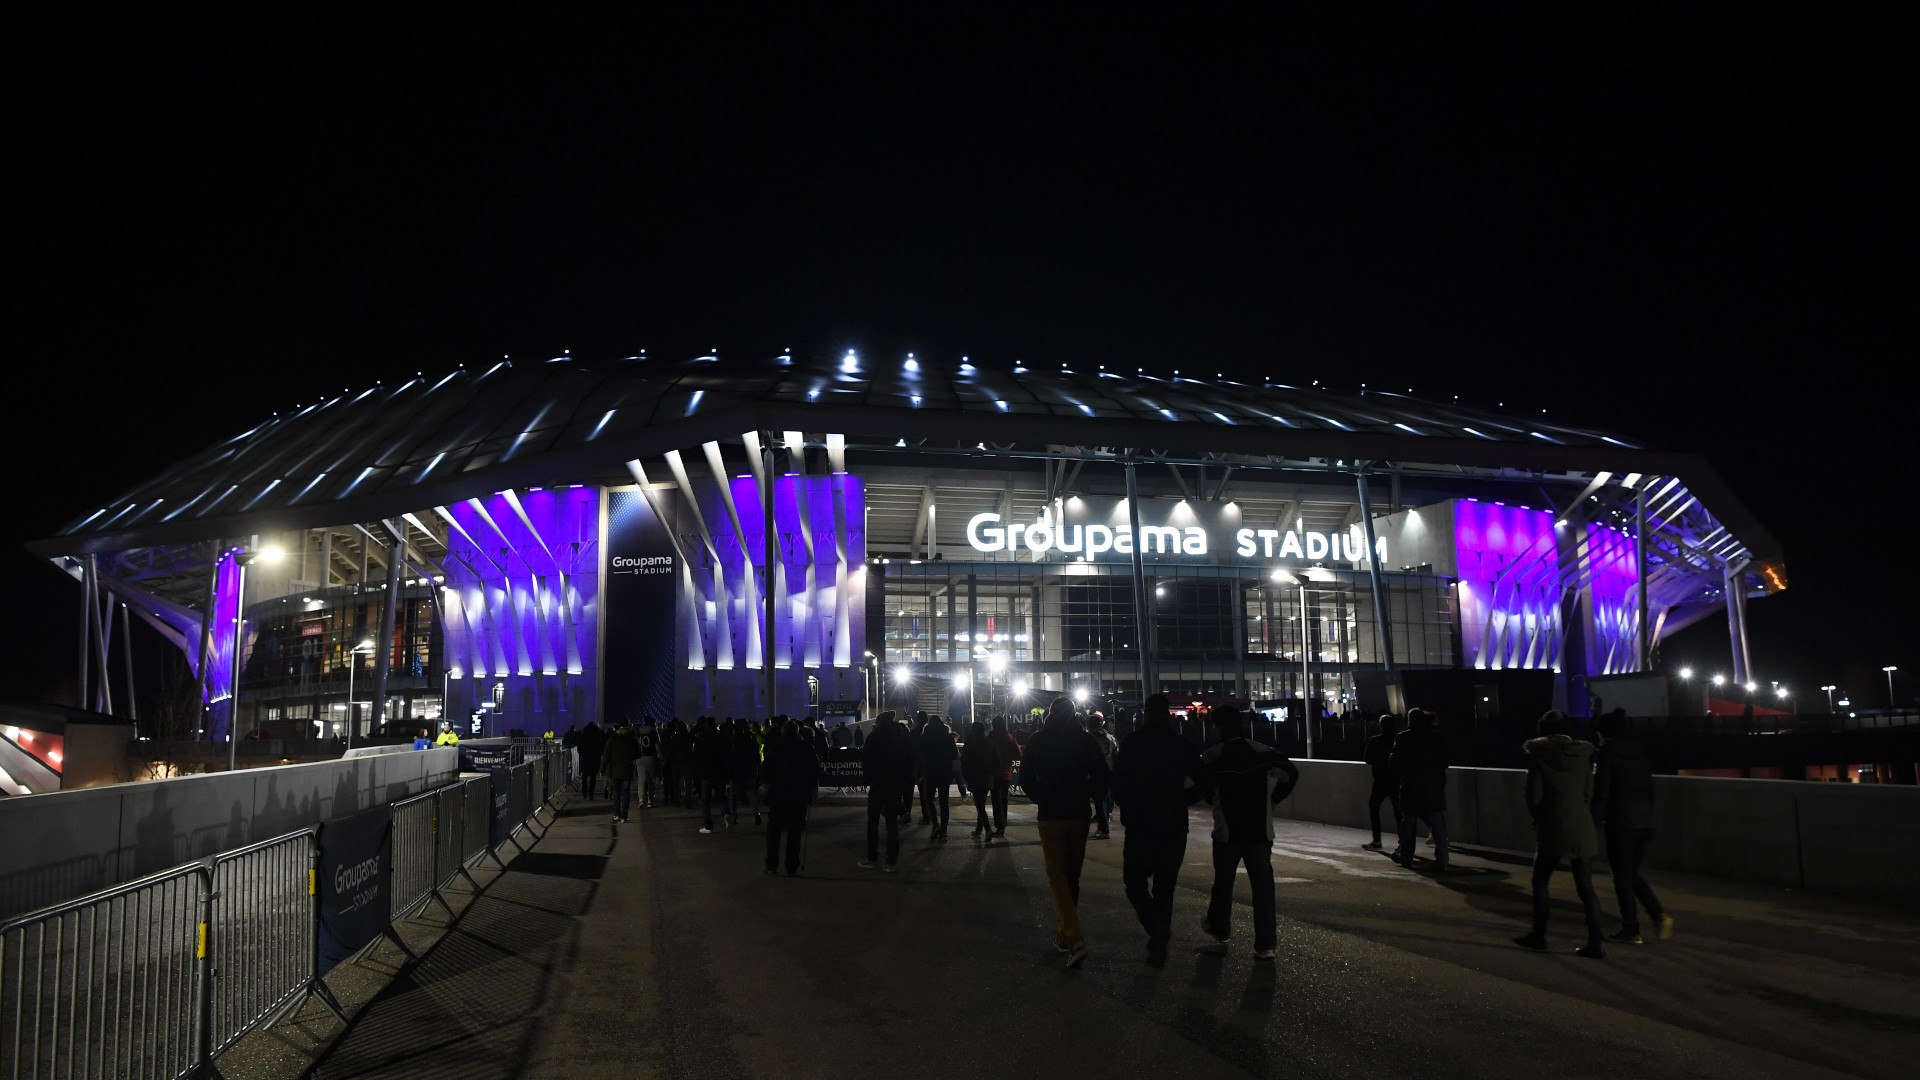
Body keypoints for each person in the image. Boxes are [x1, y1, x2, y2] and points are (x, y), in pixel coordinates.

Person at [1110, 693, 1212, 966]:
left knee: (1134, 882)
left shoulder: (1133, 743)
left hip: (1141, 822)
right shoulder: (1181, 745)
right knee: (1165, 887)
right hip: (1173, 821)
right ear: (1167, 714)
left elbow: (1117, 782)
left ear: (1145, 713)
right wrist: (1183, 799)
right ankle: (1158, 941)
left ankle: (1156, 929)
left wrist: (1128, 805)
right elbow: (1204, 781)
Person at [1197, 704, 1298, 962]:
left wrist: (1215, 800)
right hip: (1259, 831)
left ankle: (1220, 930)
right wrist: (1273, 800)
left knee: (1223, 883)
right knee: (1263, 888)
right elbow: (1290, 773)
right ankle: (1265, 945)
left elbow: (1202, 787)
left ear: (1217, 727)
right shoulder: (1262, 752)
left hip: (1227, 832)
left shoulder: (1212, 756)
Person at [1017, 696, 1110, 969]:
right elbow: (1103, 776)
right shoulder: (1084, 740)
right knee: (1071, 877)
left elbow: (1025, 778)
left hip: (1051, 814)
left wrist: (1041, 798)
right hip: (1078, 814)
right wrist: (1090, 797)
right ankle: (1064, 934)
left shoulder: (1038, 739)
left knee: (1057, 876)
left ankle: (1074, 938)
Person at [1515, 710, 1606, 959]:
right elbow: (1589, 793)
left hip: (1552, 826)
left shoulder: (1539, 757)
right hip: (1581, 826)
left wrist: (1539, 817)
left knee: (1541, 880)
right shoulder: (1583, 756)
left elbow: (1533, 796)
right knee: (1586, 888)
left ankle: (1539, 935)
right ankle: (1596, 942)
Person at [1592, 708, 1673, 944]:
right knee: (1629, 873)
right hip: (1646, 820)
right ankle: (1657, 915)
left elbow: (1602, 791)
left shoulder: (1606, 753)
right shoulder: (1639, 752)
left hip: (1621, 821)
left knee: (1621, 876)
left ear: (1603, 733)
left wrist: (1595, 819)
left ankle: (1632, 928)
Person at [759, 718, 823, 876]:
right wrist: (812, 789)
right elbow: (815, 771)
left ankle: (771, 865)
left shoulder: (777, 748)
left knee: (774, 832)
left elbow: (765, 772)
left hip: (778, 795)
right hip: (799, 795)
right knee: (795, 832)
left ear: (783, 732)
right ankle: (792, 866)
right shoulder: (807, 748)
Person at [1388, 708, 1449, 871]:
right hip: (1433, 788)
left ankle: (1406, 857)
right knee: (1437, 826)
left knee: (1408, 824)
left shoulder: (1403, 738)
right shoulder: (1436, 738)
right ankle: (1443, 860)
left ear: (1409, 720)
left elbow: (1393, 764)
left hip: (1411, 787)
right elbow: (1446, 760)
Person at [858, 710, 916, 871]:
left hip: (878, 783)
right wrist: (903, 779)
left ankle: (872, 857)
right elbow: (910, 761)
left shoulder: (874, 738)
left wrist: (868, 779)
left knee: (873, 822)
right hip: (895, 784)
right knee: (891, 823)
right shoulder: (902, 739)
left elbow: (866, 760)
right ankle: (891, 861)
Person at [1361, 713, 1401, 851]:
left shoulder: (1375, 740)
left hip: (1380, 780)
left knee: (1374, 808)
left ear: (1380, 725)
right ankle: (1403, 842)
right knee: (1399, 812)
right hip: (1396, 779)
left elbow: (1367, 759)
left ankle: (1377, 840)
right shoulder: (1398, 739)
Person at [918, 713, 960, 840]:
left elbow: (920, 755)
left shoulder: (925, 736)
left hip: (930, 771)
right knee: (943, 802)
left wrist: (920, 772)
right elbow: (954, 755)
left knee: (928, 799)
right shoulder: (947, 737)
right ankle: (944, 831)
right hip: (944, 772)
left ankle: (935, 824)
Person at [986, 714, 1022, 839]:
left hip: (994, 773)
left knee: (996, 801)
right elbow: (1018, 755)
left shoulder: (991, 737)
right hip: (1006, 773)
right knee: (1004, 800)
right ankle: (1003, 824)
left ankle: (999, 826)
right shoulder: (1010, 737)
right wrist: (1008, 759)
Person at [960, 719, 996, 841]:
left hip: (974, 777)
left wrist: (966, 778)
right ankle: (979, 829)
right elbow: (996, 760)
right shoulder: (990, 743)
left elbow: (964, 762)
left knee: (979, 805)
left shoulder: (970, 743)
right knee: (981, 803)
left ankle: (987, 828)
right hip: (986, 777)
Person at [602, 719, 642, 823]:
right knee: (626, 793)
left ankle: (616, 814)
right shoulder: (632, 737)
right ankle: (624, 816)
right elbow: (639, 753)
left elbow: (606, 754)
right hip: (627, 768)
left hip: (615, 768)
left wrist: (602, 768)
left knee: (616, 792)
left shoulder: (613, 737)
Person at [693, 716, 728, 833]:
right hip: (720, 771)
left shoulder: (702, 738)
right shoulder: (722, 737)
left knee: (705, 800)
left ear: (706, 725)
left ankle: (708, 825)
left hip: (706, 772)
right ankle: (726, 814)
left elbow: (695, 755)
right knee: (721, 797)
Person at [728, 718, 764, 827]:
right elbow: (756, 754)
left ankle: (733, 817)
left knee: (733, 795)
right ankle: (756, 813)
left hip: (736, 770)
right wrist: (757, 767)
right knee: (751, 793)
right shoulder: (751, 737)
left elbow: (729, 756)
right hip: (749, 769)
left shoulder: (733, 739)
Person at [1088, 714, 1119, 839]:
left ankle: (1104, 829)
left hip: (1097, 770)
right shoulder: (1109, 736)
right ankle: (1103, 825)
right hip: (1110, 770)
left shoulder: (1091, 737)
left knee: (1099, 801)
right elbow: (1116, 751)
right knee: (1105, 798)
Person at [576, 720, 607, 800]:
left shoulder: (584, 734)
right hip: (595, 757)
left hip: (585, 758)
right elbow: (601, 746)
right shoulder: (598, 734)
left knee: (584, 776)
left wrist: (582, 754)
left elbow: (579, 747)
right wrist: (599, 755)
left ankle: (584, 794)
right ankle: (591, 794)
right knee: (593, 777)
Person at [635, 717, 661, 809]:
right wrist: (661, 756)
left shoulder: (639, 731)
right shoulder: (654, 732)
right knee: (651, 780)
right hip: (651, 757)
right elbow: (657, 746)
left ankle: (641, 800)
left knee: (641, 780)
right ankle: (650, 800)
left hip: (640, 758)